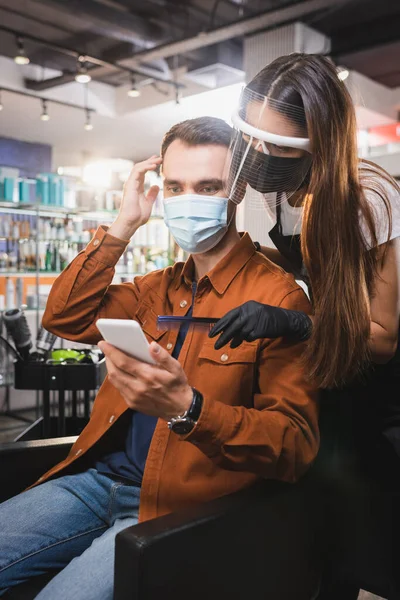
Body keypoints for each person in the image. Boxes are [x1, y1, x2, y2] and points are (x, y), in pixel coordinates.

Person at [0, 117, 319, 600]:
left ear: (236, 193)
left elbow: (294, 446)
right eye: (176, 186)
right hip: (93, 482)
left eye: (208, 186)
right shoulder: (156, 287)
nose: (188, 199)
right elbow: (64, 317)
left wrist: (189, 409)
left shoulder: (278, 300)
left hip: (170, 506)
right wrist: (123, 225)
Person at [209, 52, 400, 392]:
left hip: (378, 375)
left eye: (278, 147)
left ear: (321, 146)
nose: (260, 155)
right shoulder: (282, 188)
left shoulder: (370, 200)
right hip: (329, 354)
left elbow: (383, 340)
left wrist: (294, 322)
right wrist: (245, 252)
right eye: (252, 139)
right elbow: (311, 263)